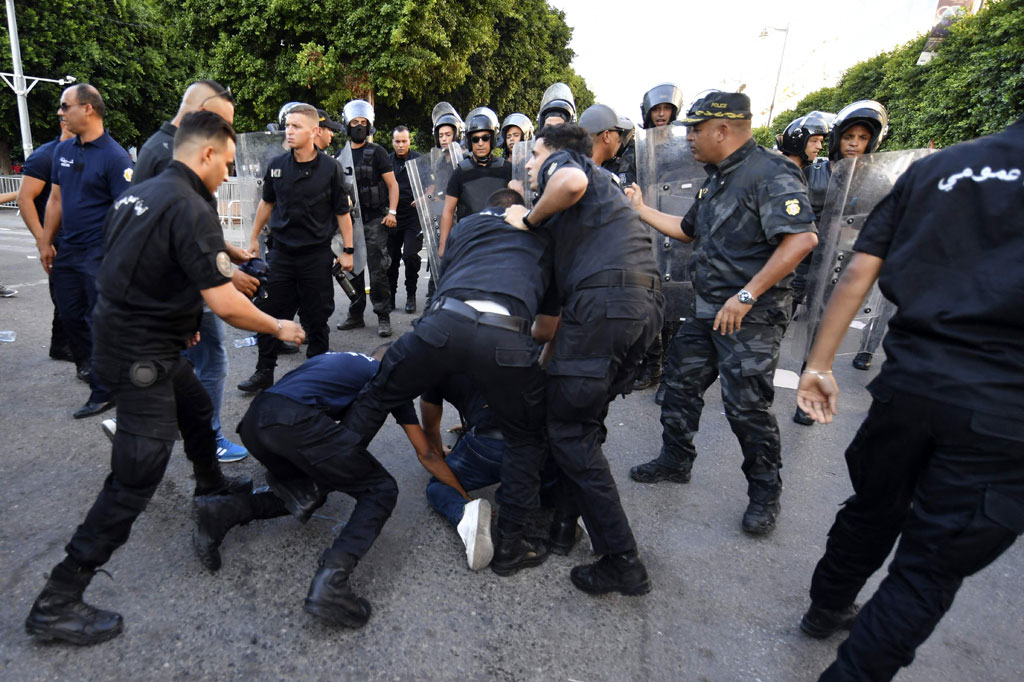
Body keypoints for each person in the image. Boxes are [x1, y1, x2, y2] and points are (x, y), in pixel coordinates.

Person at [23, 111, 306, 646]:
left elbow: (138, 262)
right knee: (135, 476)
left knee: (197, 408)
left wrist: (180, 306)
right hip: (141, 353)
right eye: (225, 163)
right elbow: (225, 303)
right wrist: (279, 327)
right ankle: (58, 598)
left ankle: (211, 490)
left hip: (133, 336)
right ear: (205, 154)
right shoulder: (189, 204)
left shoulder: (143, 193)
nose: (226, 174)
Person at [794, 112, 1024, 682]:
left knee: (874, 507)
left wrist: (818, 364)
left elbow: (857, 274)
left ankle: (825, 607)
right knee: (927, 571)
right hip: (1004, 409)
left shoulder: (942, 167)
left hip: (911, 384)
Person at [626, 92, 818, 536]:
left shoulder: (771, 171)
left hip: (750, 317)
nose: (689, 136)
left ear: (722, 129)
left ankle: (765, 494)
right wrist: (639, 210)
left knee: (746, 409)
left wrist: (747, 296)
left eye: (696, 128)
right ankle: (675, 460)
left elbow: (801, 240)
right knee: (678, 387)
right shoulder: (716, 179)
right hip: (706, 311)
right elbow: (686, 231)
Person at [341, 189, 552, 577]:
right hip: (507, 342)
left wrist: (444, 461)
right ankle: (519, 540)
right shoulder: (541, 232)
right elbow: (548, 326)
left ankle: (329, 473)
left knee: (378, 396)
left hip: (445, 324)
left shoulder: (468, 226)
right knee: (527, 441)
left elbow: (430, 434)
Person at [192, 347, 459, 628]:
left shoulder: (337, 359)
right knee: (380, 489)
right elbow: (425, 453)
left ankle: (224, 510)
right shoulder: (387, 380)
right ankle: (333, 580)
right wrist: (461, 495)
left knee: (312, 489)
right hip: (292, 423)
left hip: (256, 425)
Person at [506, 123, 663, 596]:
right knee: (582, 423)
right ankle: (561, 526)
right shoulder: (581, 220)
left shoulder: (571, 170)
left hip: (606, 305)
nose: (531, 164)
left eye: (533, 155)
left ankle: (622, 560)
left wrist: (527, 217)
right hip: (639, 308)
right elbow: (549, 323)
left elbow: (568, 181)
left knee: (570, 432)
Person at [133, 79, 255, 461]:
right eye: (221, 123)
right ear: (199, 110)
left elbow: (193, 220)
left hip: (178, 282)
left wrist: (226, 250)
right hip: (182, 284)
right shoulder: (166, 153)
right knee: (211, 359)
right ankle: (207, 437)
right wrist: (224, 275)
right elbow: (172, 231)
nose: (224, 136)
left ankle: (152, 427)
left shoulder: (162, 146)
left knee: (182, 364)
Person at [237, 104, 354, 392]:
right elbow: (267, 203)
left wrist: (348, 250)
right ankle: (264, 372)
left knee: (317, 317)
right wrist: (253, 238)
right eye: (288, 125)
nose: (289, 131)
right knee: (267, 311)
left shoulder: (330, 168)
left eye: (296, 126)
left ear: (314, 131)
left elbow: (342, 212)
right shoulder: (277, 166)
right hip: (281, 255)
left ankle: (318, 377)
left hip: (315, 256)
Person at [37, 84, 134, 419]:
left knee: (99, 321)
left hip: (99, 253)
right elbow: (56, 200)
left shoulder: (115, 157)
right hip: (67, 250)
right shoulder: (64, 152)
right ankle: (99, 372)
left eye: (66, 106)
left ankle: (105, 389)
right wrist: (45, 241)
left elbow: (127, 213)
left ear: (88, 109)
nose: (61, 113)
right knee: (69, 314)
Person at [775, 110, 832, 427]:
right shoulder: (803, 172)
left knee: (820, 334)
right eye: (814, 140)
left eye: (823, 141)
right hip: (798, 258)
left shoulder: (832, 170)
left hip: (828, 258)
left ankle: (807, 400)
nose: (819, 146)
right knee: (777, 322)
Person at [633, 82, 688, 398]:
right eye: (657, 109)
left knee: (677, 303)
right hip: (647, 229)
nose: (662, 114)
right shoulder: (640, 148)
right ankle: (652, 366)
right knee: (650, 302)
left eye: (666, 108)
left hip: (679, 229)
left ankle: (670, 373)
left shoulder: (686, 147)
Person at [335, 99, 401, 337]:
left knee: (377, 269)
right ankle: (355, 314)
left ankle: (383, 316)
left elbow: (393, 185)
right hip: (350, 221)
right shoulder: (339, 156)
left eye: (363, 122)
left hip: (375, 219)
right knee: (352, 269)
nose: (359, 126)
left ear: (370, 125)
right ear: (347, 125)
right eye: (355, 122)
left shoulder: (378, 152)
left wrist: (391, 212)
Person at [17, 118, 74, 362]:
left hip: (81, 238)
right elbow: (24, 199)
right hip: (57, 240)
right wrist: (43, 240)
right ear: (64, 122)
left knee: (72, 297)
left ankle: (61, 345)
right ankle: (72, 351)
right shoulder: (45, 156)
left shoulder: (88, 152)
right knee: (67, 297)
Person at [438, 107, 511, 255]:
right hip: (469, 240)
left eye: (485, 138)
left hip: (500, 239)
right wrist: (443, 246)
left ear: (492, 139)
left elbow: (517, 205)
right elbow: (448, 210)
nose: (480, 143)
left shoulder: (507, 169)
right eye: (475, 139)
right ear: (470, 142)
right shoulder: (460, 172)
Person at [387, 126, 423, 314]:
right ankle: (391, 295)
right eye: (397, 141)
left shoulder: (418, 160)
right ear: (392, 142)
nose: (401, 145)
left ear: (410, 141)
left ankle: (411, 295)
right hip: (392, 216)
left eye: (404, 141)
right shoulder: (386, 160)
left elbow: (431, 184)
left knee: (410, 256)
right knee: (390, 260)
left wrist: (425, 196)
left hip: (412, 216)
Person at [577, 103, 629, 171]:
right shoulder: (599, 177)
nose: (620, 139)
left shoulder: (571, 167)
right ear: (606, 135)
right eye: (620, 133)